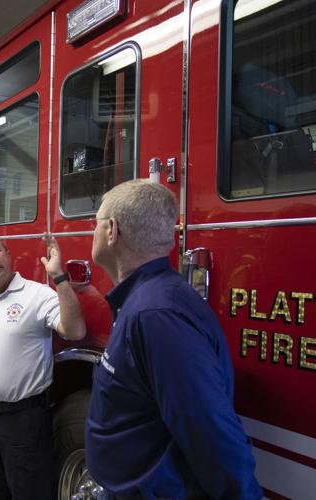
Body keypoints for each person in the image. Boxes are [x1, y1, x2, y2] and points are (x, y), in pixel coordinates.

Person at [86, 179, 262, 499]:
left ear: (112, 230)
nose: (92, 231)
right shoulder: (148, 300)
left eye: (95, 223)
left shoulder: (154, 314)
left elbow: (208, 427)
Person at [0, 234, 86, 500]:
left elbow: (75, 330)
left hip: (25, 421)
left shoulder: (37, 295)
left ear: (9, 255)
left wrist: (59, 278)